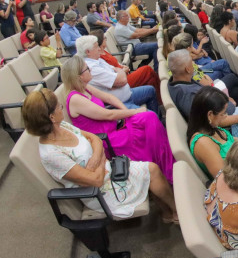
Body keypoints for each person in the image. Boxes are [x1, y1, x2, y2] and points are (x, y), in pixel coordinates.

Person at [21, 89, 177, 222]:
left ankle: (168, 212)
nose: (62, 108)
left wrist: (97, 156)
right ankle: (176, 212)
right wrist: (101, 157)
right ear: (51, 117)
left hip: (105, 171)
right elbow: (95, 181)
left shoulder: (61, 126)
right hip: (100, 193)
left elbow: (94, 138)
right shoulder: (52, 154)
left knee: (150, 169)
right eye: (59, 107)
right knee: (152, 170)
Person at [60, 56, 175, 186]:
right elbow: (107, 115)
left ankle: (167, 163)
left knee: (149, 117)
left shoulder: (85, 87)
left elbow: (109, 98)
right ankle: (167, 170)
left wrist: (126, 110)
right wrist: (134, 112)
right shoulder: (75, 98)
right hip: (108, 140)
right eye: (87, 69)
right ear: (79, 76)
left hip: (115, 128)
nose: (90, 69)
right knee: (148, 120)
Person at [168, 50, 238, 137]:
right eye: (192, 63)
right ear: (187, 69)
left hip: (228, 114)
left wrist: (226, 99)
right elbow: (210, 122)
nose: (194, 65)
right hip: (228, 129)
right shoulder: (186, 95)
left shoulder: (179, 80)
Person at [75, 35, 158, 114]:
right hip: (118, 104)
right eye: (96, 47)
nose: (99, 49)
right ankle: (155, 124)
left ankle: (160, 120)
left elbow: (117, 73)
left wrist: (117, 76)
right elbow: (122, 80)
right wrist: (119, 73)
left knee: (150, 90)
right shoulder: (91, 68)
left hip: (127, 93)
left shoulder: (97, 59)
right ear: (88, 52)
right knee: (150, 115)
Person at [91, 30, 161, 103]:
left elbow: (115, 64)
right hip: (123, 80)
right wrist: (123, 70)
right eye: (105, 38)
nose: (106, 40)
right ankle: (161, 93)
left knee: (151, 79)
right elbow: (112, 72)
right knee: (147, 69)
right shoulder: (99, 57)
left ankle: (159, 99)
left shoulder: (104, 51)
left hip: (124, 73)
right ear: (101, 41)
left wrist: (122, 66)